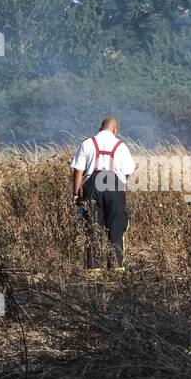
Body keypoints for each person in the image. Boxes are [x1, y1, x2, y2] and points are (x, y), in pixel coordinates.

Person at [72, 116, 137, 271]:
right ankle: (116, 268)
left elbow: (78, 170)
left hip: (92, 186)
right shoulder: (120, 146)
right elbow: (128, 170)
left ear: (100, 129)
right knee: (116, 226)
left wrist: (75, 194)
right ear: (115, 130)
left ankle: (93, 270)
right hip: (114, 184)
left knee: (92, 226)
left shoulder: (87, 143)